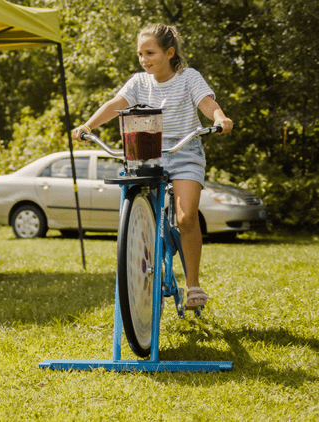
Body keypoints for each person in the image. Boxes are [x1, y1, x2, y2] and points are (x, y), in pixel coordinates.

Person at [71, 23, 234, 308]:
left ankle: (193, 286)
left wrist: (220, 118)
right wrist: (88, 124)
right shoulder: (138, 83)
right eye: (140, 54)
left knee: (186, 217)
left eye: (150, 53)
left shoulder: (188, 78)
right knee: (141, 214)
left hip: (185, 150)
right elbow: (115, 104)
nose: (144, 59)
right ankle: (145, 273)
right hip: (147, 152)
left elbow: (206, 103)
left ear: (170, 52)